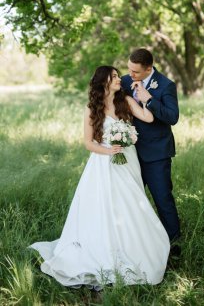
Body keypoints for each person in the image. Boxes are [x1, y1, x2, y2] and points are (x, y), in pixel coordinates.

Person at [29, 66, 170, 289]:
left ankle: (135, 246)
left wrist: (145, 97)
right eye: (114, 77)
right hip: (104, 162)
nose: (118, 79)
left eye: (117, 76)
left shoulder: (125, 101)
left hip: (128, 160)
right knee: (106, 204)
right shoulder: (91, 109)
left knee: (131, 202)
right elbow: (88, 143)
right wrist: (109, 151)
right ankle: (105, 248)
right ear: (103, 81)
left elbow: (148, 118)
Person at [121, 48, 181, 253]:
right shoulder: (125, 81)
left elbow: (172, 117)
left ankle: (174, 244)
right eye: (129, 69)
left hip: (156, 154)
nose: (130, 75)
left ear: (148, 69)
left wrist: (149, 100)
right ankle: (134, 244)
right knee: (130, 199)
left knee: (162, 198)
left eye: (135, 72)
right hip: (128, 152)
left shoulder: (166, 85)